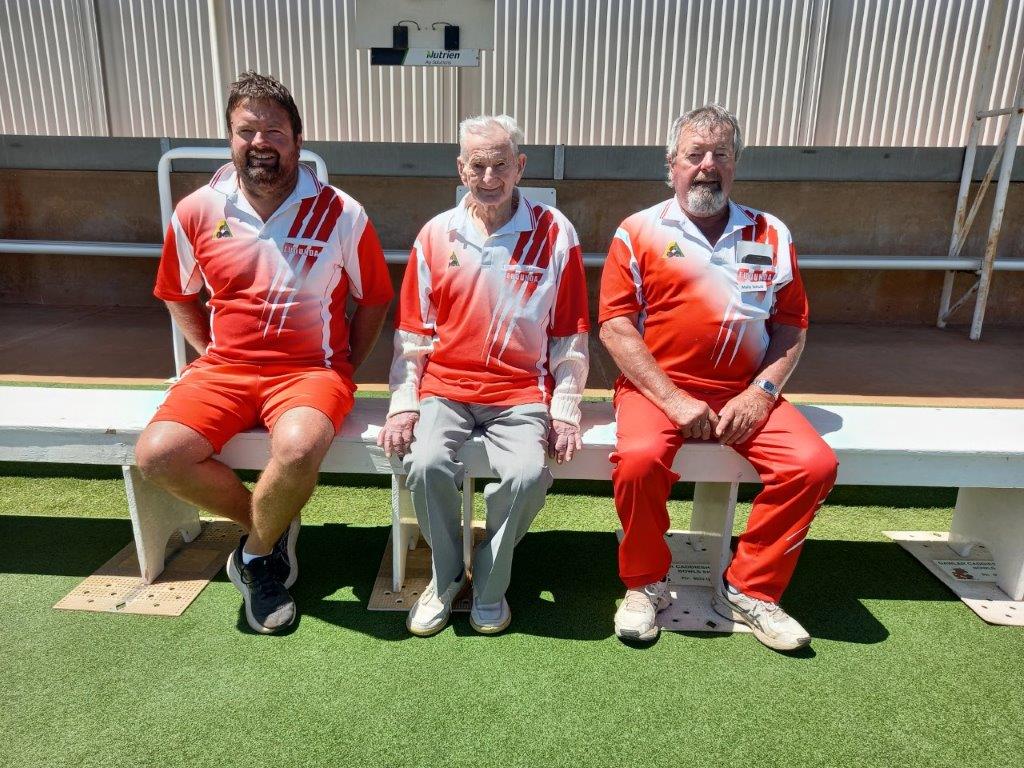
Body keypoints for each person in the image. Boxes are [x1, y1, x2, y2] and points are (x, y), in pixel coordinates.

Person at [134, 71, 392, 634]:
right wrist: (207, 348)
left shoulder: (339, 211)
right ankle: (270, 528)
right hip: (224, 369)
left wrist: (346, 364)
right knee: (156, 455)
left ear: (297, 139)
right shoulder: (197, 209)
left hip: (309, 373)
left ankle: (254, 555)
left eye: (273, 130)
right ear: (230, 137)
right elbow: (176, 292)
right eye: (246, 130)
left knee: (299, 450)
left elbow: (373, 299)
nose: (260, 143)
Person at [598, 104, 838, 651]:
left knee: (813, 464)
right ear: (671, 163)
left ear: (736, 163)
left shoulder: (770, 231)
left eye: (720, 155)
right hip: (656, 389)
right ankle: (645, 584)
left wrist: (762, 392)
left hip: (744, 391)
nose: (707, 166)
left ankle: (751, 589)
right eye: (694, 154)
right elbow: (614, 327)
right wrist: (674, 399)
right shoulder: (638, 231)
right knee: (637, 463)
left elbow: (792, 325)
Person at [378, 115, 590, 637]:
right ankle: (446, 577)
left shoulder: (555, 233)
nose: (490, 176)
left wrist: (564, 409)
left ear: (520, 167)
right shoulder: (436, 234)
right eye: (478, 165)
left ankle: (490, 587)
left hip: (520, 392)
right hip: (445, 389)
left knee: (525, 475)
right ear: (461, 168)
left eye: (501, 164)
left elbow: (570, 331)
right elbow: (413, 334)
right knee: (424, 464)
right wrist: (404, 403)